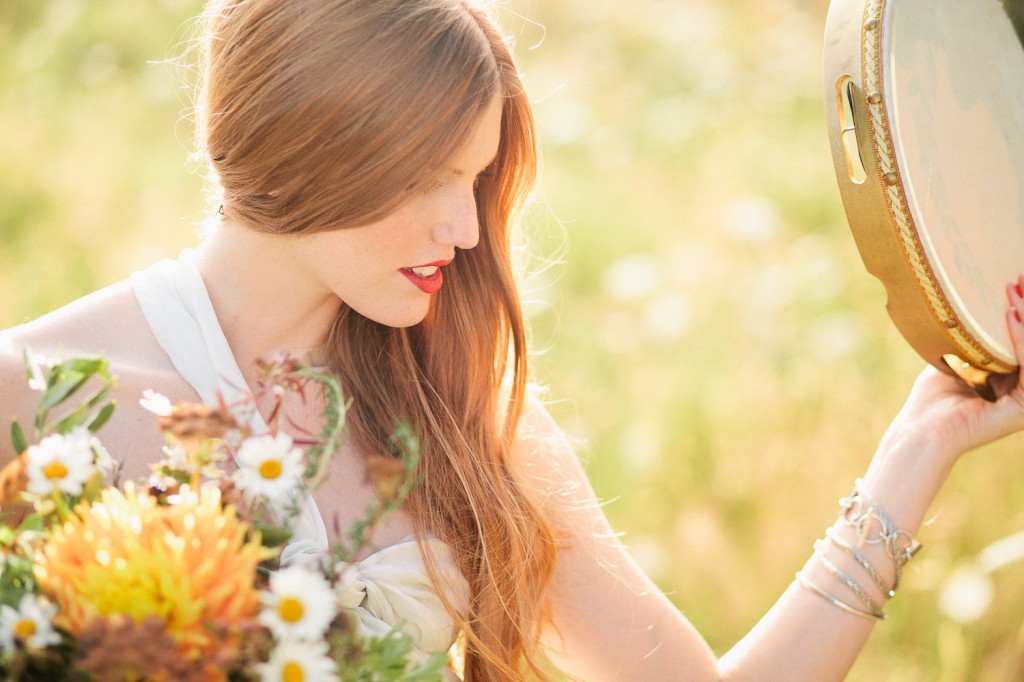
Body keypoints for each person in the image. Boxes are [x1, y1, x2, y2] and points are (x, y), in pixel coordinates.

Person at [1, 1, 1023, 680]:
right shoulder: (27, 400)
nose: (463, 229)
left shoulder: (463, 405)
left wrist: (917, 449)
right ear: (302, 143)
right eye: (428, 179)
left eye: (477, 180)